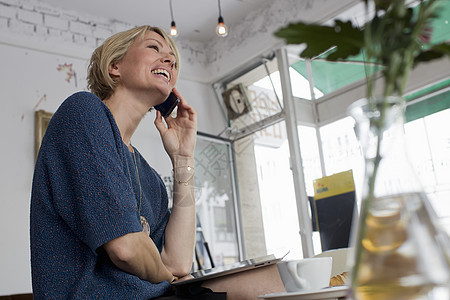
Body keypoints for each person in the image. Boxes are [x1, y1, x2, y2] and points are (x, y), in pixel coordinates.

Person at [30, 25, 197, 299]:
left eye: (173, 59)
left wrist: (183, 160)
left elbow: (178, 261)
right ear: (114, 66)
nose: (169, 60)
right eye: (154, 48)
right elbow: (127, 249)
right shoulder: (83, 112)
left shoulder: (150, 178)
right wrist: (168, 278)